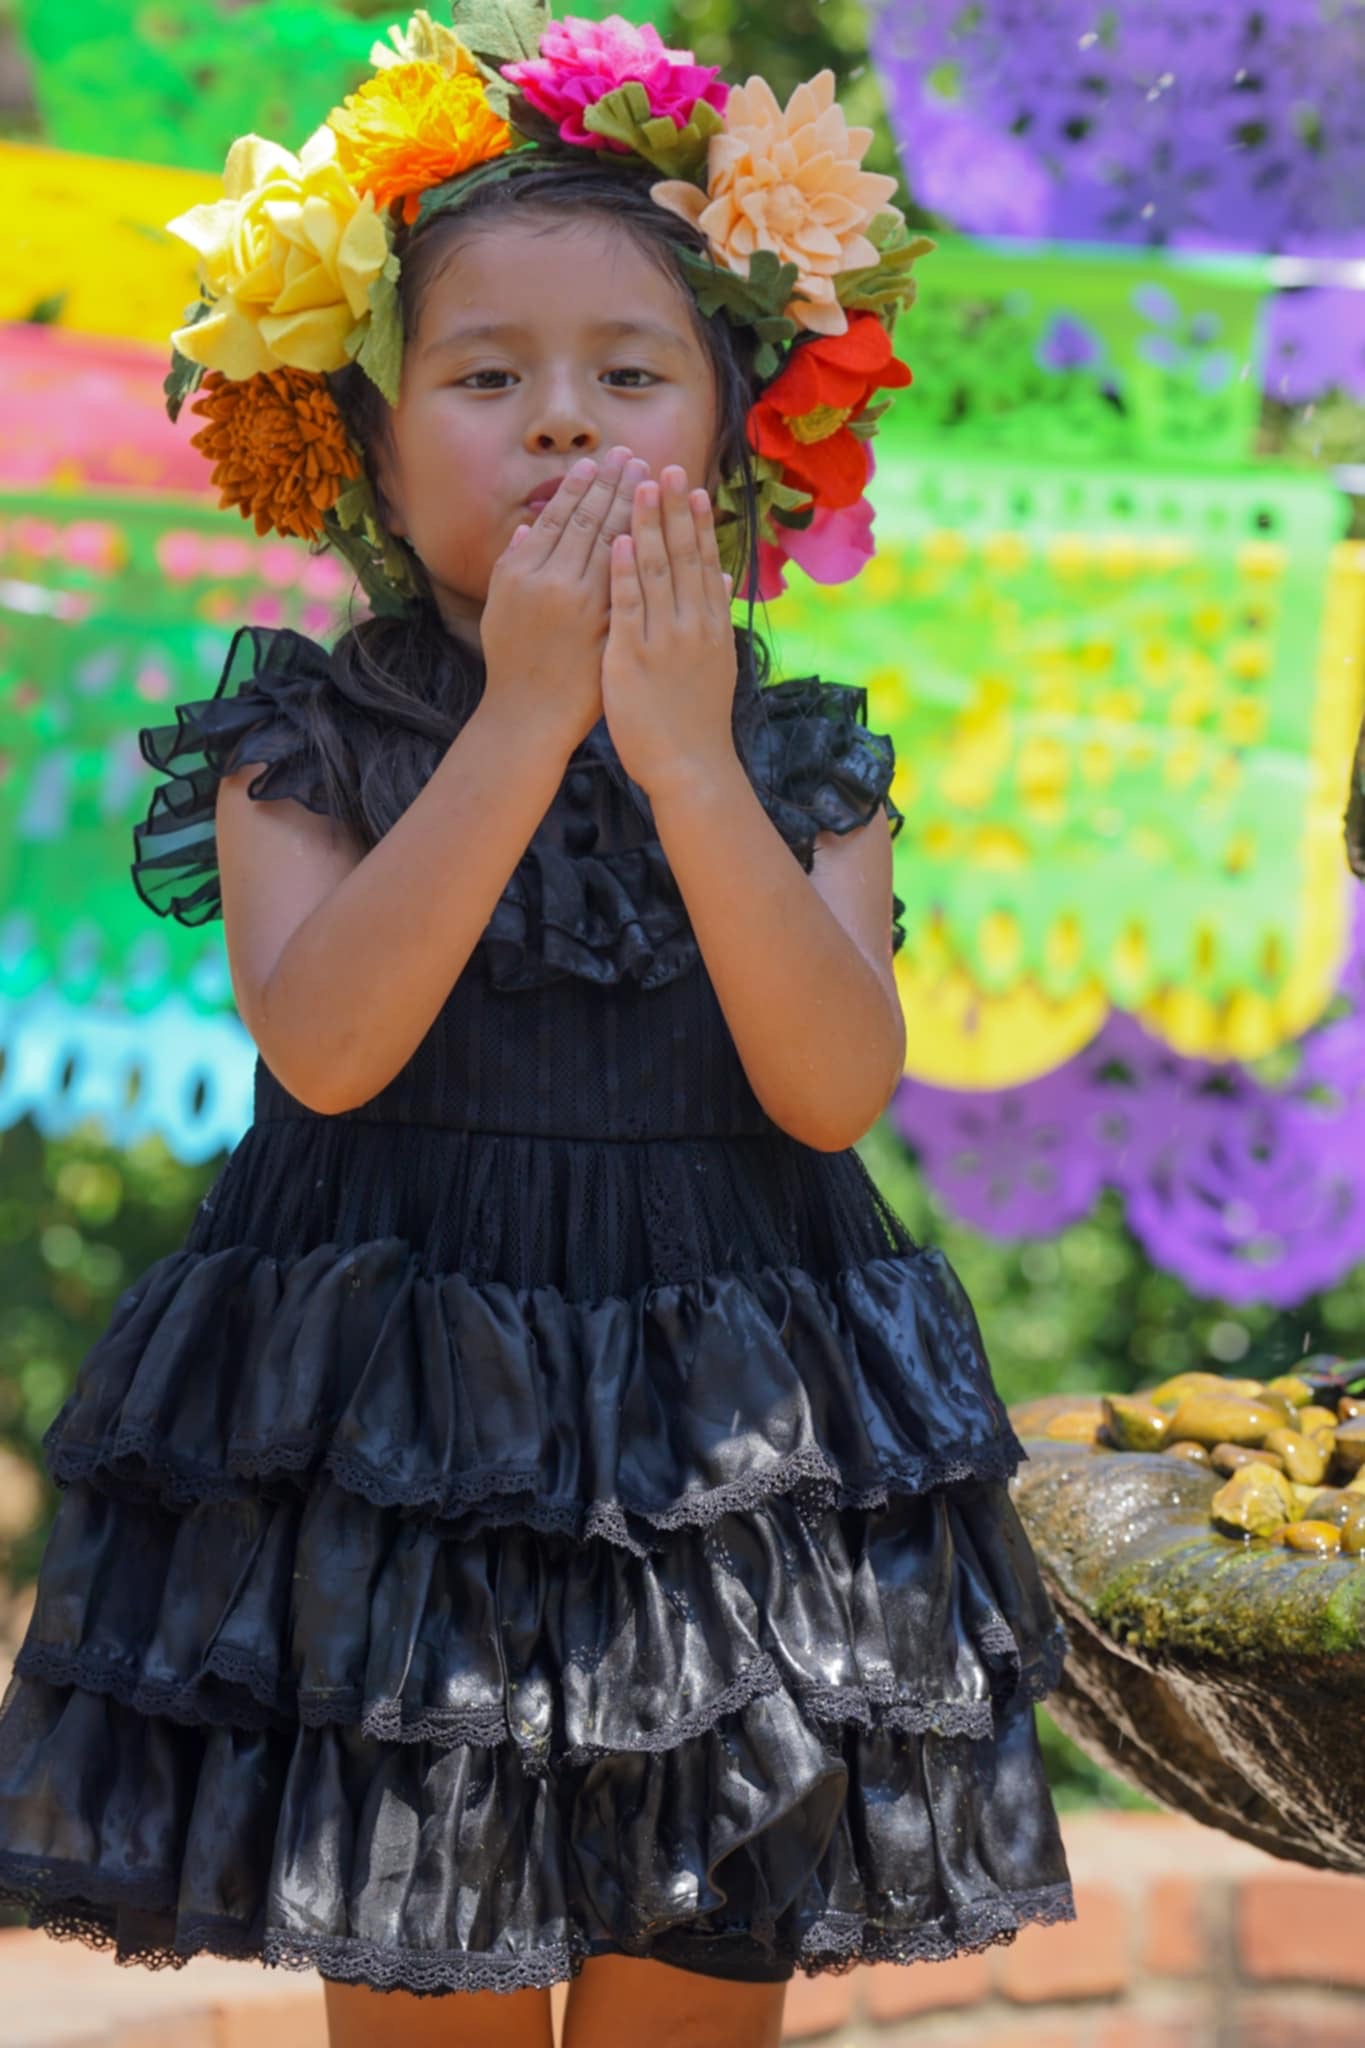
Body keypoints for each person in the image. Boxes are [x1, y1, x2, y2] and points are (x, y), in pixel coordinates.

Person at [0, 11, 1076, 2046]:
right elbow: (326, 1047)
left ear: (737, 443)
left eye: (628, 376)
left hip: (728, 1474)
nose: (564, 428)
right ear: (366, 443)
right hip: (405, 1472)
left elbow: (834, 1082)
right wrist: (520, 719)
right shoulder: (307, 736)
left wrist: (680, 761)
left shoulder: (788, 751)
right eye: (486, 378)